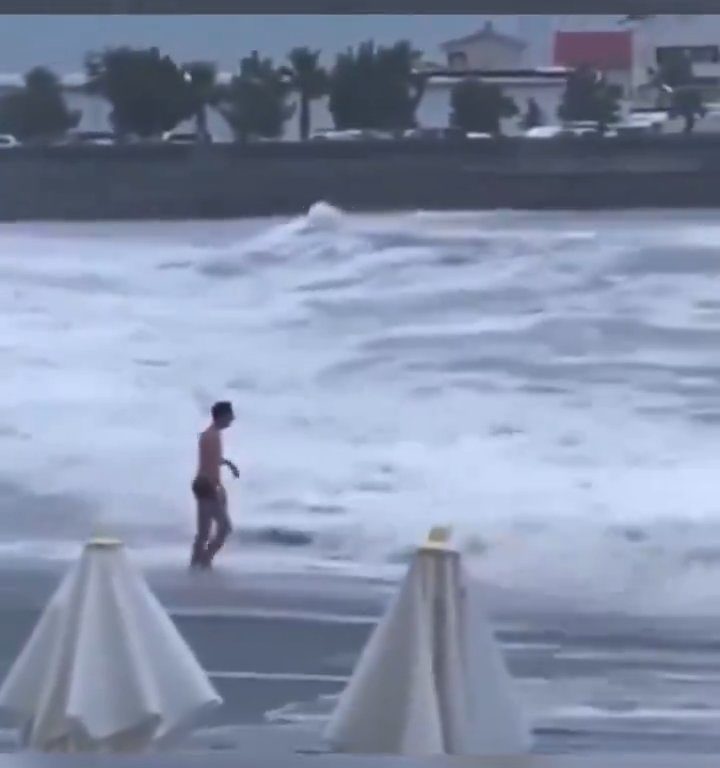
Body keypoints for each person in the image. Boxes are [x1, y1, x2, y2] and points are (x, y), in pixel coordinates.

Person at [190, 401, 239, 569]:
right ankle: (205, 559)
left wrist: (228, 464)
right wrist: (217, 489)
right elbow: (209, 467)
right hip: (207, 486)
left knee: (203, 532)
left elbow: (211, 460)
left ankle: (196, 564)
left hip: (203, 485)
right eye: (230, 415)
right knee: (225, 528)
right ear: (223, 416)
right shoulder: (212, 436)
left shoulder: (210, 434)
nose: (232, 419)